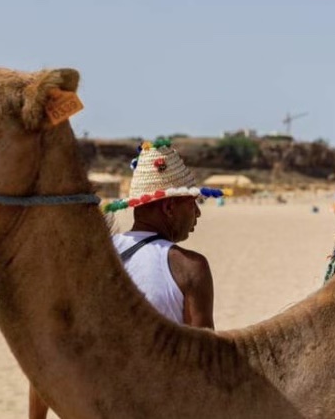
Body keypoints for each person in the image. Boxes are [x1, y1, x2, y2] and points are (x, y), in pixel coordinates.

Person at [27, 141, 216, 419]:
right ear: (169, 208)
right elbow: (205, 364)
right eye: (193, 203)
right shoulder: (189, 268)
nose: (198, 213)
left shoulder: (87, 257)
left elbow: (46, 355)